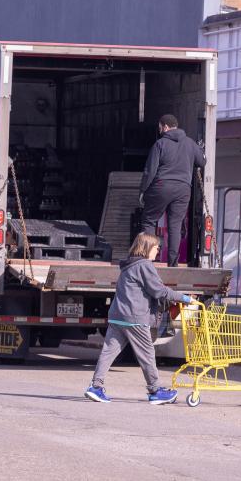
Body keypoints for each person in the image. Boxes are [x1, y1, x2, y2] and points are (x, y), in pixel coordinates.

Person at [85, 232, 195, 404]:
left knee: (108, 353)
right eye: (156, 247)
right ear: (147, 247)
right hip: (134, 318)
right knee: (147, 354)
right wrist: (185, 298)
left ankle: (96, 387)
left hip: (117, 316)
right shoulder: (144, 265)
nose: (158, 250)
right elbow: (159, 291)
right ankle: (155, 390)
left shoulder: (128, 265)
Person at [139, 114, 206, 266]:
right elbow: (202, 161)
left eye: (160, 127)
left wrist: (143, 191)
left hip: (162, 186)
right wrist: (200, 151)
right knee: (175, 225)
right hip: (183, 189)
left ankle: (146, 261)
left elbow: (150, 171)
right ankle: (173, 264)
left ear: (166, 127)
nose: (160, 130)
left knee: (149, 221)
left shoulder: (160, 144)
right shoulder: (190, 144)